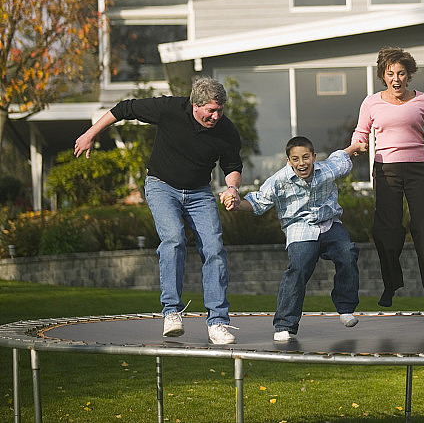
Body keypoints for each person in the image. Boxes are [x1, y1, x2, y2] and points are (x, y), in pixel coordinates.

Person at [74, 77, 242, 344]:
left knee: (214, 249)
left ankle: (218, 322)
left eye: (220, 110)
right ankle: (172, 312)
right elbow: (124, 109)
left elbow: (232, 166)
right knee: (173, 239)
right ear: (195, 105)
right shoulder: (169, 109)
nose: (216, 116)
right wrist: (90, 134)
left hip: (199, 193)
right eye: (211, 110)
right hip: (162, 186)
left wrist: (232, 188)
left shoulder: (226, 130)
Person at [224, 136, 366, 342]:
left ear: (313, 157)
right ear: (288, 161)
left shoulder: (327, 169)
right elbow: (257, 203)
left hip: (329, 223)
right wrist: (237, 204)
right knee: (298, 268)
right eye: (296, 159)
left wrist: (355, 147)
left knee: (347, 252)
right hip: (300, 228)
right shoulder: (279, 180)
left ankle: (345, 308)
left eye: (306, 157)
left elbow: (341, 157)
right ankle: (284, 325)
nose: (302, 163)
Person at [352, 46, 424, 307]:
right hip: (386, 170)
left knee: (423, 227)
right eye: (390, 73)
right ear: (383, 76)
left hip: (418, 169)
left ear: (409, 75)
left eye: (401, 73)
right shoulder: (371, 102)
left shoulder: (423, 100)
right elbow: (361, 132)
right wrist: (357, 146)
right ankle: (391, 285)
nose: (396, 79)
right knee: (385, 231)